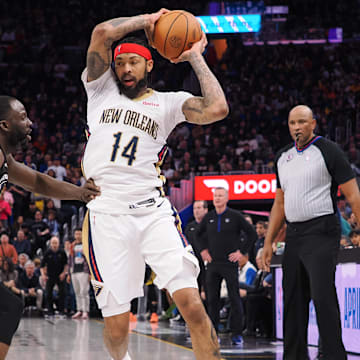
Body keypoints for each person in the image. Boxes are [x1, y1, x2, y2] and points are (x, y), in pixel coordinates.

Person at [81, 8, 228, 360]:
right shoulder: (99, 92)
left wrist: (195, 57)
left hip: (153, 213)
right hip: (107, 216)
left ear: (150, 65)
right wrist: (148, 21)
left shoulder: (168, 103)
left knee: (192, 305)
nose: (126, 69)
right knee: (116, 328)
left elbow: (218, 108)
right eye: (121, 64)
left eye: (134, 62)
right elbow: (102, 31)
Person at [0, 95, 100, 360]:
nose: (30, 122)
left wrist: (80, 194)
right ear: (5, 125)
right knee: (9, 307)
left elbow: (39, 183)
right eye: (22, 117)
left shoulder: (5, 161)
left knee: (9, 307)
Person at [262, 105, 360, 360]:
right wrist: (268, 242)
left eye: (302, 122)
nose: (297, 127)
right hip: (294, 234)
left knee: (322, 296)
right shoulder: (282, 157)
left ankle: (334, 356)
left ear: (313, 124)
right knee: (292, 300)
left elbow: (353, 195)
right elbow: (279, 204)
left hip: (322, 230)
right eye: (293, 122)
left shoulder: (328, 151)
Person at [197, 187, 257, 345]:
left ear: (227, 198)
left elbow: (252, 234)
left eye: (220, 196)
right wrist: (203, 250)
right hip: (213, 264)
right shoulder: (208, 217)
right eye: (215, 196)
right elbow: (198, 235)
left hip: (229, 263)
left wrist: (241, 252)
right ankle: (212, 332)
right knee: (212, 300)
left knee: (234, 298)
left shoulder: (235, 216)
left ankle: (237, 334)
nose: (217, 198)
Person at [40, 236, 68, 316]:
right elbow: (42, 266)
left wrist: (63, 273)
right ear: (50, 244)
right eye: (53, 243)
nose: (54, 245)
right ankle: (50, 311)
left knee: (62, 293)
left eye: (56, 243)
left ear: (58, 244)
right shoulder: (47, 253)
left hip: (60, 275)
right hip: (50, 275)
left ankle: (61, 311)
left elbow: (66, 264)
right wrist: (43, 275)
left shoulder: (62, 252)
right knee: (48, 293)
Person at [67, 228, 90, 320]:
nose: (78, 236)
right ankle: (79, 310)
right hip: (74, 271)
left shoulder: (86, 244)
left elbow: (89, 259)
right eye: (76, 234)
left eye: (79, 234)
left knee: (84, 291)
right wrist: (69, 273)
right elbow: (70, 259)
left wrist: (90, 273)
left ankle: (85, 311)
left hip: (83, 270)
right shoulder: (73, 245)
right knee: (77, 291)